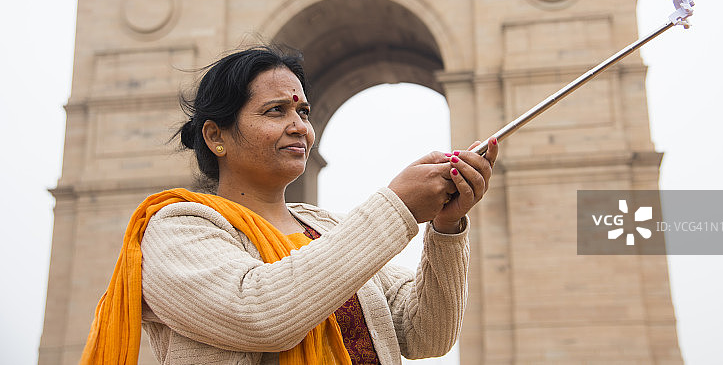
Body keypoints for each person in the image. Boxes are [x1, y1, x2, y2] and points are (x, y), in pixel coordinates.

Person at [80, 45, 499, 365]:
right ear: (215, 136)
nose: (299, 126)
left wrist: (446, 228)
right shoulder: (177, 228)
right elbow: (260, 315)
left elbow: (426, 334)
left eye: (303, 111)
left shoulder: (328, 228)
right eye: (275, 111)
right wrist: (398, 206)